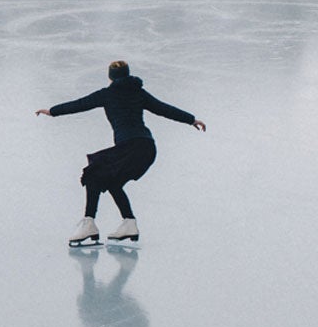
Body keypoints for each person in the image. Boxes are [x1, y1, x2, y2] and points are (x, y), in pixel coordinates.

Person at [36, 60, 205, 246]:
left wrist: (52, 111)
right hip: (147, 148)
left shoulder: (107, 94)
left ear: (110, 77)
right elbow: (163, 108)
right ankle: (129, 223)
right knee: (112, 182)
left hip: (130, 148)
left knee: (94, 173)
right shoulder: (138, 92)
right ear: (128, 74)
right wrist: (191, 120)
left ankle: (89, 223)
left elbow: (80, 104)